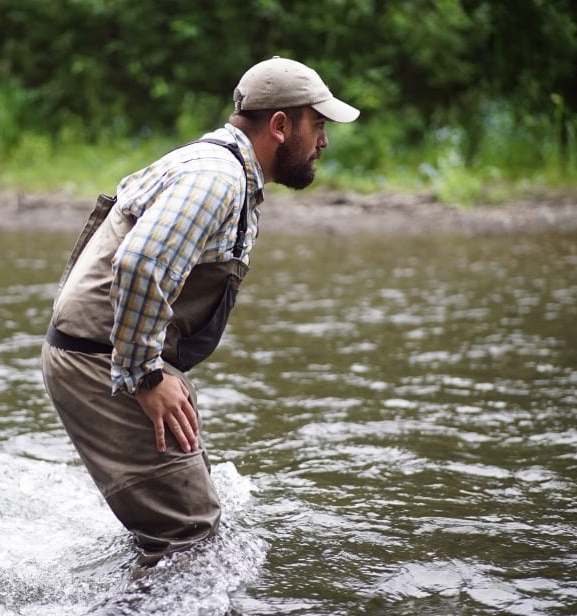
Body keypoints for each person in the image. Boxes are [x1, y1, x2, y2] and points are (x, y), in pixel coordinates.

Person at [41, 56, 359, 566]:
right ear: (280, 126)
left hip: (107, 353)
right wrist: (146, 377)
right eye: (316, 124)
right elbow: (141, 264)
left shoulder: (218, 167)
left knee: (189, 523)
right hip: (103, 362)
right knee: (189, 537)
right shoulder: (216, 178)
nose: (323, 140)